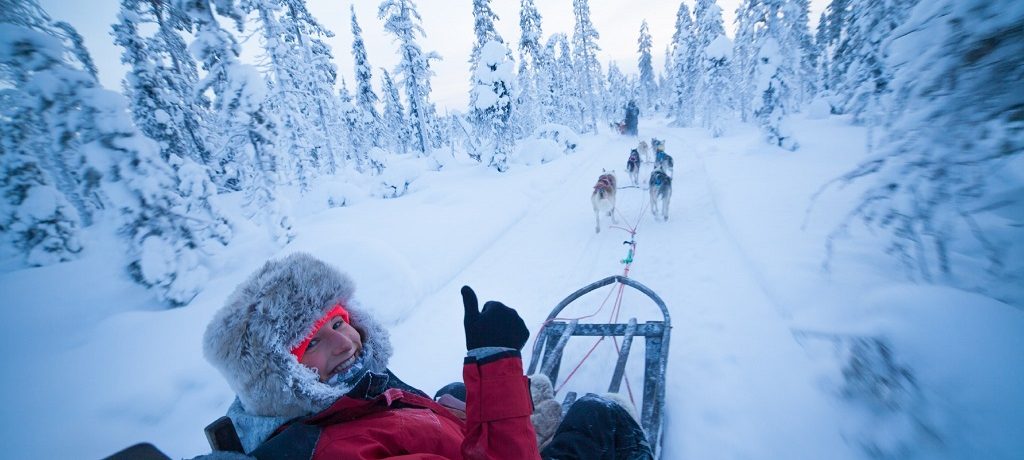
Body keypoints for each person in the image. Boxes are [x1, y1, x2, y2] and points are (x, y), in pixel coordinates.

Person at [202, 252, 652, 459]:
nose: (343, 344)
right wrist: (495, 369)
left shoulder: (341, 395)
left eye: (337, 322)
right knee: (601, 415)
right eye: (311, 343)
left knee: (450, 392)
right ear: (277, 375)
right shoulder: (342, 450)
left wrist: (485, 395)